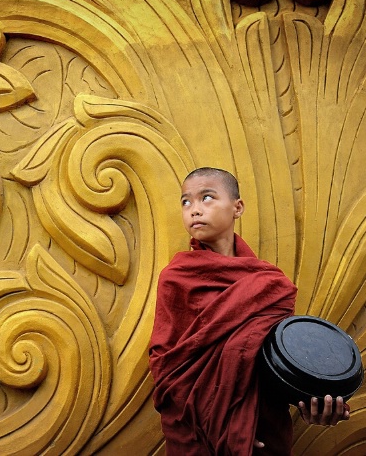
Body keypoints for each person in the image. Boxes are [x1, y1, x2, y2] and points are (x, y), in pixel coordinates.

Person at [148, 167, 350, 455]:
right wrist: (221, 427)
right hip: (197, 434)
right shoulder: (178, 277)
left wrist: (310, 399)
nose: (194, 210)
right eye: (186, 202)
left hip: (263, 430)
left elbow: (276, 363)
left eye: (207, 198)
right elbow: (166, 367)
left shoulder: (269, 284)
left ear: (237, 208)